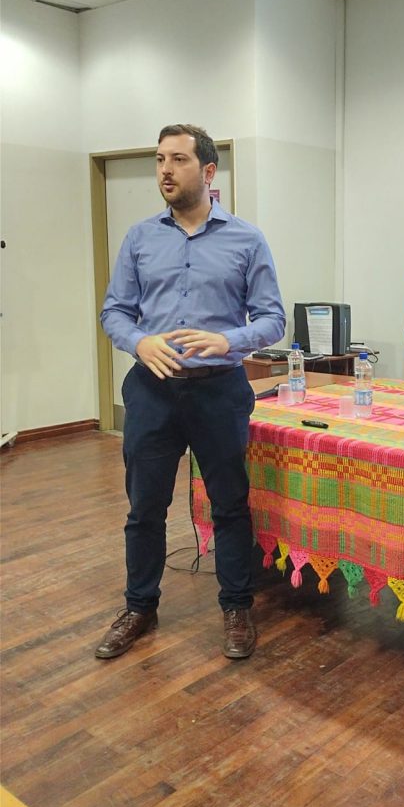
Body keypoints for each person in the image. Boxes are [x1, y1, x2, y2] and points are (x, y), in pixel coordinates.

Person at [96, 124, 285, 661]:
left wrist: (230, 340)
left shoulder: (246, 239)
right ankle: (139, 607)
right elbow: (115, 311)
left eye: (178, 159)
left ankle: (236, 607)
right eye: (160, 159)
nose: (165, 170)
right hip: (152, 391)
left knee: (230, 504)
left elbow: (272, 319)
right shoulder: (139, 238)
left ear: (207, 170)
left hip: (218, 391)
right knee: (144, 508)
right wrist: (139, 341)